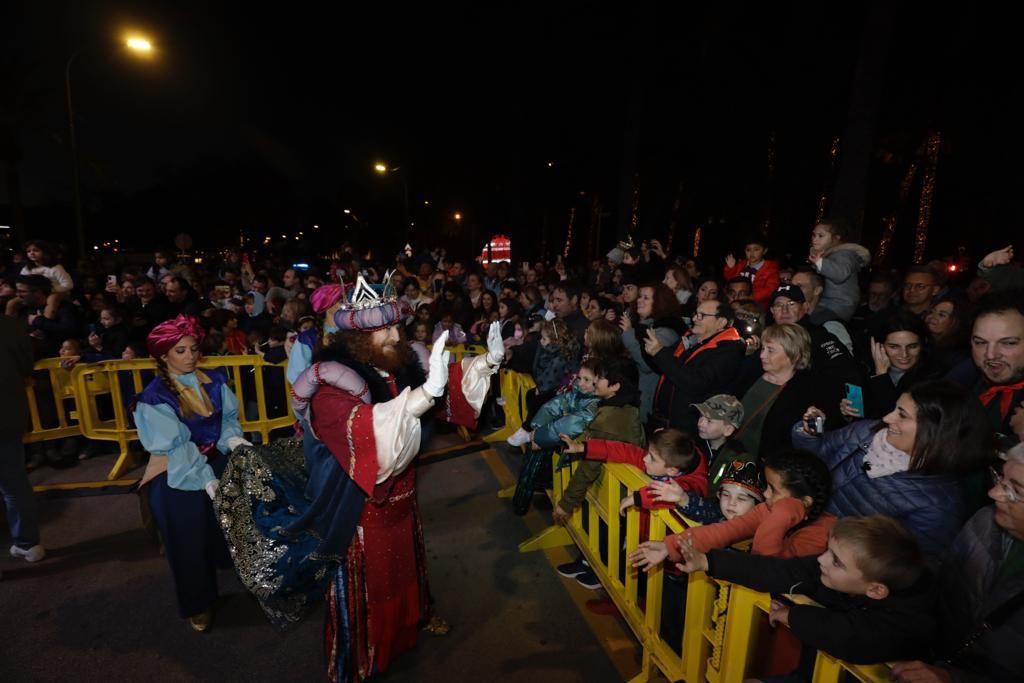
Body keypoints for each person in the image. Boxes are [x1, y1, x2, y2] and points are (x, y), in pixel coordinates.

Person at [217, 275, 505, 682]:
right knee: (370, 586)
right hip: (361, 508)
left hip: (404, 497)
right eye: (384, 330)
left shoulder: (398, 366)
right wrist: (423, 397)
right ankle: (359, 661)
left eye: (395, 327)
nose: (395, 335)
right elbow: (370, 435)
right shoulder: (331, 389)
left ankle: (410, 625)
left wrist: (486, 363)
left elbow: (442, 391)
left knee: (407, 568)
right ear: (356, 340)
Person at [644, 515, 934, 680]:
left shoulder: (909, 616)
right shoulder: (843, 571)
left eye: (836, 561)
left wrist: (790, 615)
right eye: (827, 551)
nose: (822, 561)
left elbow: (850, 637)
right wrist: (708, 563)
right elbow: (778, 571)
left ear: (875, 590)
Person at [132, 315, 250, 632]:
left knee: (241, 516)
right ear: (163, 355)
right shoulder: (154, 398)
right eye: (180, 350)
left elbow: (228, 420)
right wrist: (205, 478)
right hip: (177, 470)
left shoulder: (216, 380)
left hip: (214, 459)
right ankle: (199, 602)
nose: (190, 356)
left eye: (193, 348)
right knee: (186, 537)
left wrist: (232, 440)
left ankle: (247, 572)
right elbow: (175, 447)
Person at [797, 380, 986, 558]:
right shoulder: (866, 432)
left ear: (937, 431)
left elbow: (904, 569)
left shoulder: (939, 507)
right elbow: (815, 459)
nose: (887, 418)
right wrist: (809, 435)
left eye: (902, 414)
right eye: (894, 409)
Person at [891, 444, 1024, 681]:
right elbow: (944, 577)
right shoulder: (987, 521)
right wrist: (891, 571)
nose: (994, 493)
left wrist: (953, 678)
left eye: (1015, 491)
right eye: (1000, 478)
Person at [636, 449, 834, 566]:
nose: (765, 495)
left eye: (773, 489)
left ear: (805, 502)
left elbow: (767, 568)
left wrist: (782, 515)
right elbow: (725, 531)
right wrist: (670, 546)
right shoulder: (768, 509)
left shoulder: (819, 536)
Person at [734, 323, 839, 459]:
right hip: (728, 450)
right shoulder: (751, 371)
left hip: (764, 463)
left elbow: (817, 433)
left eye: (770, 350)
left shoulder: (810, 391)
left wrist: (815, 426)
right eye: (763, 348)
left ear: (794, 355)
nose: (762, 355)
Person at [646, 297, 746, 434]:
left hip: (688, 429)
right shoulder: (690, 341)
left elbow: (696, 383)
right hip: (664, 422)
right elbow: (666, 368)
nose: (695, 319)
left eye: (702, 315)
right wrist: (652, 350)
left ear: (721, 322)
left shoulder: (728, 351)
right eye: (696, 314)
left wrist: (659, 352)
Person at [1, 314, 45, 566]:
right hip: (8, 417)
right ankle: (28, 543)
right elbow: (25, 363)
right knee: (15, 485)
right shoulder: (9, 325)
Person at [620, 284, 684, 423]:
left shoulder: (666, 332)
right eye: (640, 296)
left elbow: (647, 365)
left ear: (659, 303)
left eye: (646, 298)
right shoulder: (643, 326)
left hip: (649, 402)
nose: (639, 300)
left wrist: (629, 335)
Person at [807, 218, 870, 322]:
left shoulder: (844, 254)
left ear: (836, 238)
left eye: (821, 236)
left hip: (836, 306)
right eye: (814, 235)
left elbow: (840, 274)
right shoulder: (828, 255)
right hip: (828, 305)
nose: (815, 239)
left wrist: (819, 262)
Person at [723, 234, 780, 308]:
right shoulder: (741, 265)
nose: (752, 253)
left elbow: (771, 289)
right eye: (748, 250)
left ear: (764, 251)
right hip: (736, 303)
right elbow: (730, 281)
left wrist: (752, 297)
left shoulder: (770, 269)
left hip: (758, 306)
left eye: (756, 249)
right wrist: (730, 268)